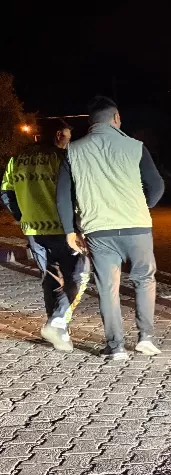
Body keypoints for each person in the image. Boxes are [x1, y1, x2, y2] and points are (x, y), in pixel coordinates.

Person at [56, 96, 165, 360]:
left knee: (108, 288)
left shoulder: (73, 150)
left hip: (99, 230)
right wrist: (141, 207)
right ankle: (146, 339)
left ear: (91, 122)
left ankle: (116, 347)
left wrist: (70, 231)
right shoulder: (135, 146)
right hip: (137, 227)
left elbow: (62, 195)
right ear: (116, 118)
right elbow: (158, 186)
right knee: (144, 280)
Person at [1, 120, 91, 351]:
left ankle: (58, 332)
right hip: (63, 228)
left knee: (51, 277)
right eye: (70, 136)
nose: (71, 141)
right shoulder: (63, 159)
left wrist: (22, 216)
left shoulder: (17, 159)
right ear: (59, 134)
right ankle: (57, 322)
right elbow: (76, 193)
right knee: (79, 274)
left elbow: (5, 192)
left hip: (33, 229)